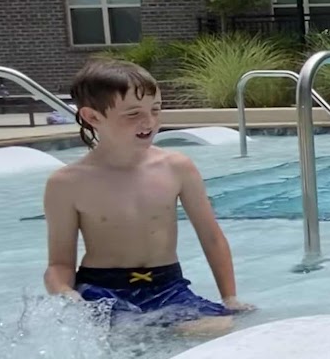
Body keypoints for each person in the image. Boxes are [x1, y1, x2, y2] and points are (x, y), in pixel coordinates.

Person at [43, 60, 250, 337]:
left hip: (168, 286)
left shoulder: (177, 167)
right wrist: (68, 296)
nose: (149, 122)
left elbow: (211, 238)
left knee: (223, 328)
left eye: (155, 110)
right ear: (93, 117)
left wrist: (229, 297)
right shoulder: (67, 183)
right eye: (133, 114)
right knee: (129, 334)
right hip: (102, 289)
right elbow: (59, 265)